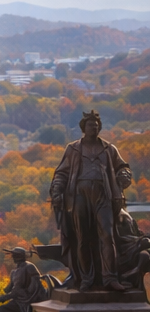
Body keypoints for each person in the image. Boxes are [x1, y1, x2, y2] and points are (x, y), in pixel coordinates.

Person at [50, 110, 134, 291]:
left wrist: (124, 175)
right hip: (79, 196)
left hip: (103, 195)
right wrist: (57, 190)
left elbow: (122, 167)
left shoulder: (108, 149)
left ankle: (110, 278)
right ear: (83, 128)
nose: (94, 128)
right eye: (90, 125)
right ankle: (86, 278)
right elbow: (62, 173)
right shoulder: (73, 149)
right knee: (83, 238)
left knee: (107, 235)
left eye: (96, 126)